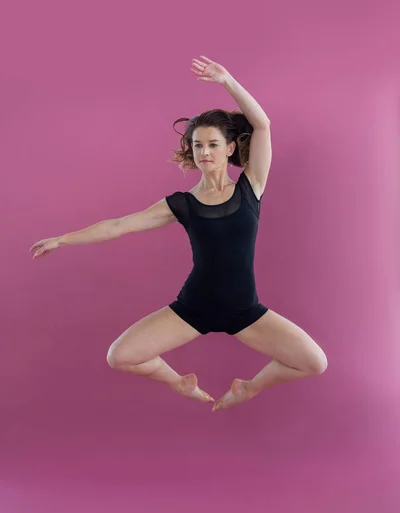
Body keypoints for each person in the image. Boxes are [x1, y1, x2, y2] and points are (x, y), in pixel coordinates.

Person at [30, 55, 327, 411]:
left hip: (244, 310)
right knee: (119, 355)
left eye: (213, 144)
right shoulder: (182, 204)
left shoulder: (251, 187)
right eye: (198, 145)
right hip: (194, 307)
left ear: (230, 148)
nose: (204, 152)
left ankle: (249, 388)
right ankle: (179, 383)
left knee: (314, 362)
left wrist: (227, 80)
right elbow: (118, 225)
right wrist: (63, 239)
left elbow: (261, 125)